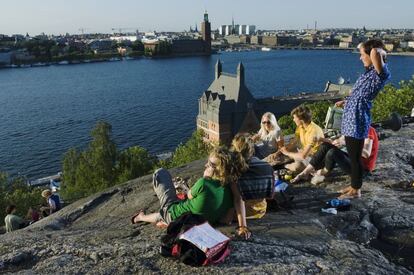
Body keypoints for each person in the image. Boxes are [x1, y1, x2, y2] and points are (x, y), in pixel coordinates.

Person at [132, 146, 252, 239]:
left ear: (218, 169)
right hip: (204, 222)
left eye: (210, 164)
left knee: (160, 174)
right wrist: (243, 226)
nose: (206, 165)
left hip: (178, 216)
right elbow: (229, 215)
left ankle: (141, 217)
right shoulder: (231, 188)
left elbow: (189, 196)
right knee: (177, 206)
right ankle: (158, 219)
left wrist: (205, 178)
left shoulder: (203, 183)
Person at [336, 39, 390, 199]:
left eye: (362, 54)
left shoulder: (380, 74)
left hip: (357, 119)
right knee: (353, 156)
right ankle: (354, 185)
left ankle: (356, 189)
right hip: (350, 118)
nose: (360, 57)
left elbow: (376, 52)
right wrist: (346, 102)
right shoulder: (368, 74)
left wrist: (377, 50)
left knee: (355, 156)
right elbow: (358, 95)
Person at [292, 126, 379, 185]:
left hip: (362, 169)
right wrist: (322, 139)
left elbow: (366, 153)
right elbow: (337, 141)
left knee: (333, 152)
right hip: (353, 160)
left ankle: (323, 172)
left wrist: (345, 143)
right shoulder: (352, 127)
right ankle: (305, 173)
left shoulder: (367, 129)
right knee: (325, 146)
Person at [231, 133, 274, 219]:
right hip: (260, 211)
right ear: (252, 149)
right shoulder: (268, 167)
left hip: (236, 213)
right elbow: (271, 196)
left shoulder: (233, 167)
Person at [278, 105, 324, 173]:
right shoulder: (300, 126)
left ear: (301, 119)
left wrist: (287, 153)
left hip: (314, 159)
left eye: (294, 118)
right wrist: (283, 149)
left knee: (297, 167)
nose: (293, 120)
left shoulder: (313, 131)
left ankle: (285, 166)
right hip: (305, 153)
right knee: (283, 154)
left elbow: (303, 156)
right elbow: (294, 141)